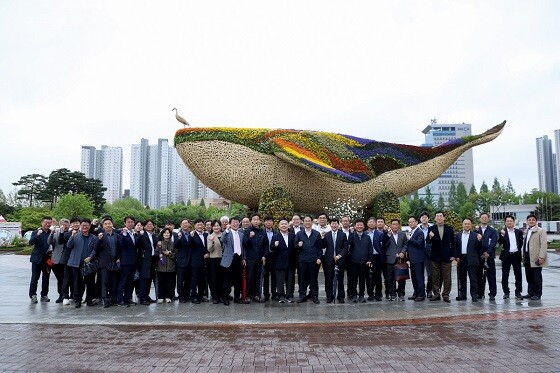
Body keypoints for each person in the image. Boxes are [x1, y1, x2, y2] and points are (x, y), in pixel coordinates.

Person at [66, 218, 98, 308]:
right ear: (80, 226)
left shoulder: (93, 237)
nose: (84, 227)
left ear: (89, 226)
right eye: (83, 225)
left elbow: (95, 250)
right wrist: (72, 236)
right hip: (76, 263)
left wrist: (90, 257)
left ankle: (89, 300)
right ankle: (78, 300)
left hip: (89, 264)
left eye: (86, 226)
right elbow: (69, 246)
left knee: (90, 282)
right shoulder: (75, 235)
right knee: (77, 283)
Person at [91, 217, 122, 308]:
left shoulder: (117, 235)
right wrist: (99, 239)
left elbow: (120, 248)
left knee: (114, 281)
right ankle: (105, 299)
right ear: (103, 226)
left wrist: (119, 258)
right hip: (104, 262)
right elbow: (96, 249)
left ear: (112, 224)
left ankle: (113, 298)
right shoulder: (100, 235)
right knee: (104, 281)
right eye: (106, 224)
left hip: (114, 262)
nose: (108, 225)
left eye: (109, 223)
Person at [427, 211, 455, 303]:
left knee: (447, 276)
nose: (439, 218)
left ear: (444, 218)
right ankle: (436, 294)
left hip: (447, 256)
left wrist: (453, 255)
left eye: (440, 216)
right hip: (435, 256)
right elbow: (428, 241)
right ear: (435, 218)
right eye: (437, 216)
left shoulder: (449, 229)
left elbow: (453, 243)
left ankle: (446, 294)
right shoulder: (431, 228)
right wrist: (430, 237)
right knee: (435, 276)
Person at [295, 216, 323, 304]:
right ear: (303, 222)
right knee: (302, 279)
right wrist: (298, 245)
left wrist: (319, 258)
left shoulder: (316, 234)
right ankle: (302, 296)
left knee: (314, 279)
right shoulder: (299, 234)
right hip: (302, 260)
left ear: (312, 222)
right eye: (306, 221)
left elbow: (319, 248)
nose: (307, 222)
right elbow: (294, 247)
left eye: (309, 221)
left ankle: (314, 296)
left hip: (314, 260)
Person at [455, 218, 482, 302]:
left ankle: (474, 295)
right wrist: (456, 256)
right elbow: (456, 247)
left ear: (471, 225)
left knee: (473, 278)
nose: (467, 225)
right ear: (462, 225)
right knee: (462, 278)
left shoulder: (475, 235)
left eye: (468, 224)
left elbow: (479, 247)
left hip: (472, 259)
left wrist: (479, 240)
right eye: (465, 224)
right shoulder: (458, 235)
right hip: (461, 259)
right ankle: (462, 294)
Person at [269, 218, 295, 303]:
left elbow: (294, 248)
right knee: (280, 280)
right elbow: (271, 248)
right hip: (279, 262)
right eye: (282, 224)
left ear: (288, 225)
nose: (284, 225)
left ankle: (289, 295)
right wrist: (275, 245)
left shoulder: (292, 235)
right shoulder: (275, 236)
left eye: (285, 224)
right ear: (279, 226)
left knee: (290, 280)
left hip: (290, 262)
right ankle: (280, 295)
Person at [497, 215, 524, 300]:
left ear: (514, 222)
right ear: (505, 222)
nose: (509, 222)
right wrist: (501, 235)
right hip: (506, 255)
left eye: (511, 221)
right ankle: (506, 292)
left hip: (516, 255)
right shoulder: (502, 232)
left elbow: (521, 243)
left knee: (518, 275)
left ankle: (518, 292)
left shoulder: (519, 232)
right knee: (505, 275)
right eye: (507, 221)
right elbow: (500, 243)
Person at [522, 214, 548, 300]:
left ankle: (537, 294)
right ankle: (530, 293)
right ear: (527, 221)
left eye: (533, 220)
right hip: (527, 256)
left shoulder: (541, 231)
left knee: (537, 277)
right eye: (529, 220)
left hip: (536, 257)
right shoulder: (527, 231)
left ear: (536, 221)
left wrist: (541, 257)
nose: (531, 221)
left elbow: (544, 245)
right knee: (529, 276)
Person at [28, 216, 53, 303]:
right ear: (42, 223)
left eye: (49, 223)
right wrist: (37, 235)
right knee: (35, 278)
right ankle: (33, 295)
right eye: (46, 222)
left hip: (48, 260)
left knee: (46, 277)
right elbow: (30, 242)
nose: (47, 224)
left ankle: (44, 295)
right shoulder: (36, 232)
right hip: (37, 259)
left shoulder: (52, 232)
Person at [322, 218, 348, 303]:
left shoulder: (342, 235)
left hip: (340, 260)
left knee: (340, 280)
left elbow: (345, 247)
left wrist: (339, 255)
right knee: (329, 279)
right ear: (330, 225)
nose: (334, 225)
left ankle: (340, 296)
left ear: (338, 224)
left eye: (335, 224)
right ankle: (329, 296)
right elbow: (323, 246)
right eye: (332, 224)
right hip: (329, 260)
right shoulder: (327, 234)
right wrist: (322, 238)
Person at [220, 217, 245, 305]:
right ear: (230, 224)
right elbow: (222, 240)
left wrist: (243, 258)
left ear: (239, 223)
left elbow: (243, 248)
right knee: (227, 280)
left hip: (239, 259)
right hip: (229, 260)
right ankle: (225, 298)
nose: (235, 224)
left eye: (237, 222)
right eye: (233, 222)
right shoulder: (226, 233)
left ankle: (237, 297)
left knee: (238, 280)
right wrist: (226, 231)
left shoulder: (241, 234)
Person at [383, 219, 408, 301]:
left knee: (401, 277)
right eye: (393, 224)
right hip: (390, 259)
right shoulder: (387, 235)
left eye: (396, 224)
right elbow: (384, 245)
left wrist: (403, 252)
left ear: (399, 225)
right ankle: (392, 294)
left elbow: (406, 244)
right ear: (391, 225)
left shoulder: (402, 234)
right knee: (390, 278)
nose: (395, 226)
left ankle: (401, 294)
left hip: (400, 260)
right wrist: (388, 235)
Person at [116, 216, 139, 307]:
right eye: (128, 222)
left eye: (132, 222)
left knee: (130, 281)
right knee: (123, 281)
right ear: (125, 223)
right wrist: (125, 234)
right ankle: (120, 299)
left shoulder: (133, 233)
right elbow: (121, 244)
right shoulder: (122, 233)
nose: (130, 223)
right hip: (125, 262)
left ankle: (128, 298)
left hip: (133, 261)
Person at [243, 213, 266, 302]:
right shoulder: (247, 231)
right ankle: (247, 295)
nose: (256, 221)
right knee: (250, 277)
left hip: (259, 258)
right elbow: (244, 244)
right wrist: (250, 237)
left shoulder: (262, 231)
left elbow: (266, 245)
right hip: (250, 258)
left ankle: (256, 294)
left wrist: (264, 255)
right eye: (254, 219)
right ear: (251, 221)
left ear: (260, 221)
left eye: (257, 219)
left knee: (258, 277)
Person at [475, 212, 498, 300]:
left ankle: (492, 293)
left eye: (486, 217)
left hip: (489, 257)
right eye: (482, 217)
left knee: (491, 275)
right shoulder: (476, 231)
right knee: (479, 275)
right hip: (479, 257)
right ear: (480, 219)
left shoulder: (492, 231)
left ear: (488, 219)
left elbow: (493, 242)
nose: (484, 219)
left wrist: (488, 252)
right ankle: (480, 293)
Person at [137, 219, 158, 305]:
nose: (149, 226)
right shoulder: (142, 235)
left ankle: (146, 296)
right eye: (148, 224)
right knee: (144, 279)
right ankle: (142, 297)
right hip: (144, 260)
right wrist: (140, 235)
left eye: (151, 224)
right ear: (144, 226)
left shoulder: (153, 236)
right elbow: (137, 244)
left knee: (149, 279)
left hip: (152, 259)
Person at [59, 217, 80, 305]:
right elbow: (60, 241)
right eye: (73, 223)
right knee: (66, 278)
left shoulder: (83, 233)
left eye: (77, 223)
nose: (75, 224)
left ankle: (75, 295)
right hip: (67, 259)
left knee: (76, 278)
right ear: (71, 225)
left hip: (78, 259)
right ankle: (65, 296)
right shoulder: (67, 234)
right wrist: (61, 232)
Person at [48, 218, 69, 303]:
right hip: (56, 259)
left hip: (67, 260)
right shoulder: (55, 232)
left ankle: (67, 295)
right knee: (60, 278)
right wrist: (52, 233)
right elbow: (49, 242)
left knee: (67, 278)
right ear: (60, 225)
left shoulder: (72, 232)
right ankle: (61, 295)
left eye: (66, 225)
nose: (65, 226)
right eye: (63, 225)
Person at [406, 216, 426, 301]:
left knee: (419, 277)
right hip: (412, 258)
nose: (411, 223)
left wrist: (410, 239)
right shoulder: (411, 231)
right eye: (409, 222)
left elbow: (419, 243)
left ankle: (421, 294)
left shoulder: (419, 232)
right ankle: (416, 292)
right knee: (414, 277)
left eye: (412, 222)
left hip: (419, 258)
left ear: (416, 222)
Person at [189, 219, 209, 304]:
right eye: (198, 225)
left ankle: (201, 295)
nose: (200, 226)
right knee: (195, 279)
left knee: (202, 279)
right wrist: (191, 237)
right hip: (195, 260)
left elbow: (207, 247)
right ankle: (193, 296)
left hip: (204, 260)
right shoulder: (192, 234)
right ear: (195, 226)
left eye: (201, 224)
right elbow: (189, 245)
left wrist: (208, 253)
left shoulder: (206, 234)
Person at [366, 217, 385, 302]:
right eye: (370, 222)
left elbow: (384, 243)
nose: (371, 224)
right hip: (367, 258)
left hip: (377, 257)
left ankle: (378, 294)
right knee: (369, 277)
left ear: (375, 224)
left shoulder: (379, 233)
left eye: (373, 222)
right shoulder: (364, 233)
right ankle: (370, 294)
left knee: (377, 277)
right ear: (367, 224)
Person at [156, 228, 177, 303]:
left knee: (170, 283)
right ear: (162, 234)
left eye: (168, 233)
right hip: (161, 266)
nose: (166, 234)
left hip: (171, 266)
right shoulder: (159, 243)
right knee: (161, 282)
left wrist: (169, 254)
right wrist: (159, 252)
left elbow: (176, 255)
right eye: (165, 233)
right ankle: (161, 296)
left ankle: (168, 296)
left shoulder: (173, 243)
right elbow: (156, 253)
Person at [174, 219, 192, 302]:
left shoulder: (191, 234)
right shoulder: (177, 234)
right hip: (181, 261)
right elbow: (175, 246)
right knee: (180, 280)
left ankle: (187, 295)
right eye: (183, 223)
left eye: (186, 223)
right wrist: (179, 238)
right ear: (181, 225)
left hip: (190, 261)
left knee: (188, 280)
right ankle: (181, 296)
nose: (185, 225)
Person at [207, 220, 224, 304]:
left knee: (221, 278)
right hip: (214, 259)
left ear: (220, 226)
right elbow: (209, 249)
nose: (216, 227)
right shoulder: (210, 236)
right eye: (214, 226)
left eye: (217, 225)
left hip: (223, 259)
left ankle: (221, 295)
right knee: (214, 278)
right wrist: (212, 242)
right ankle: (214, 296)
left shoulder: (224, 235)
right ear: (212, 227)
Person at [419, 212, 433, 298]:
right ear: (420, 219)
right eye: (422, 217)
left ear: (428, 219)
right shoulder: (417, 228)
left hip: (430, 253)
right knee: (420, 273)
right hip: (420, 253)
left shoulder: (432, 228)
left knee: (430, 273)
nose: (424, 219)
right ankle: (420, 290)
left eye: (425, 217)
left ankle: (429, 290)